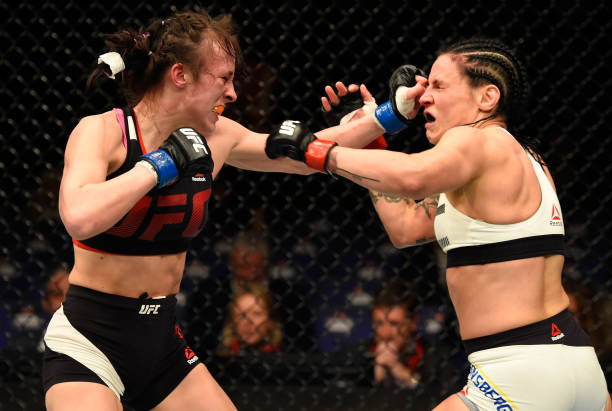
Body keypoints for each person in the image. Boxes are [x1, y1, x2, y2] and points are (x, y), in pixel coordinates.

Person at [43, 9, 384, 411]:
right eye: (223, 78)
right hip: (89, 342)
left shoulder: (216, 136)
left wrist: (385, 117)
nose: (233, 93)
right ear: (180, 75)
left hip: (160, 347)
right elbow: (78, 217)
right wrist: (157, 166)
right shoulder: (102, 131)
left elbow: (297, 157)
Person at [266, 38, 612, 410]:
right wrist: (364, 136)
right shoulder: (526, 159)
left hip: (520, 370)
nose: (424, 97)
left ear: (487, 98)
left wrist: (316, 150)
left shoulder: (476, 139)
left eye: (439, 86)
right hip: (578, 366)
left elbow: (413, 176)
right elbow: (406, 228)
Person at [369, 279, 421, 389]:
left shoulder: (435, 357)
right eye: (379, 323)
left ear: (413, 322)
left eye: (394, 324)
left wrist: (400, 371)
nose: (386, 333)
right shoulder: (357, 356)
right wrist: (376, 380)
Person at [217, 282, 282, 356]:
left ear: (271, 321)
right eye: (242, 315)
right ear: (232, 321)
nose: (248, 321)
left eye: (256, 314)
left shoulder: (286, 357)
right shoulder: (219, 359)